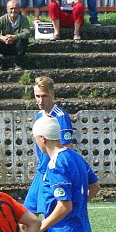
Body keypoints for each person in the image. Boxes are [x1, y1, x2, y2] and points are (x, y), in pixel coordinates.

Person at [25, 76, 75, 220]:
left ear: (52, 94)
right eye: (37, 96)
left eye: (44, 96)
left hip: (52, 171)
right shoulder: (39, 115)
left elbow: (67, 147)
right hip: (41, 170)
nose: (40, 100)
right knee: (26, 216)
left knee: (50, 214)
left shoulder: (60, 116)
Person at [0, 0, 31, 71]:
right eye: (11, 8)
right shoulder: (2, 19)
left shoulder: (24, 19)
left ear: (19, 9)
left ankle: (17, 64)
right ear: (7, 9)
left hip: (16, 46)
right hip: (5, 44)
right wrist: (2, 37)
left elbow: (27, 32)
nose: (13, 10)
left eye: (16, 8)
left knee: (24, 40)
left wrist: (15, 37)